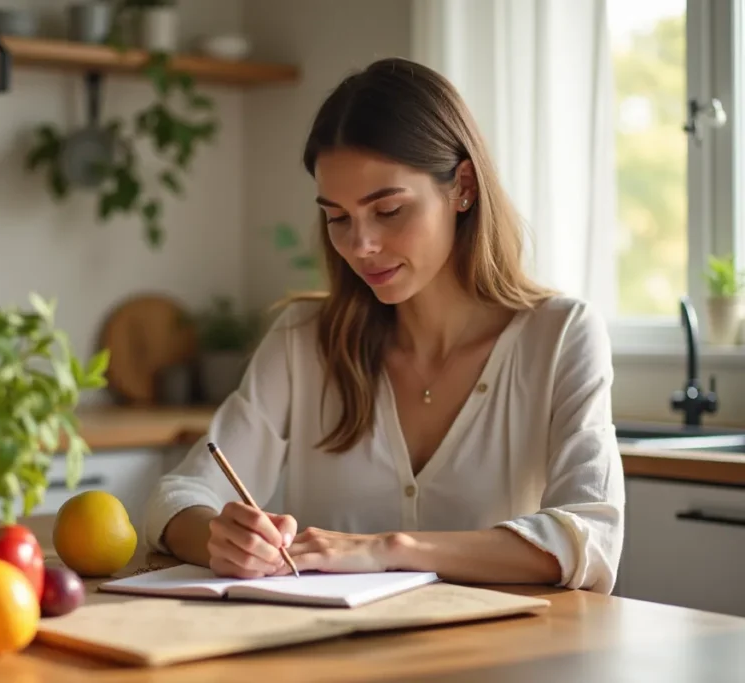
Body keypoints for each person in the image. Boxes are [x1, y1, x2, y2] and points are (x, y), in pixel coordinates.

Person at [142, 57, 625, 594]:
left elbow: (590, 538)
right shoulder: (303, 340)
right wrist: (220, 537)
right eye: (338, 217)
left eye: (389, 210)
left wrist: (385, 550)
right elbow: (177, 496)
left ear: (462, 186)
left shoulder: (561, 337)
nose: (360, 245)